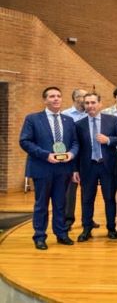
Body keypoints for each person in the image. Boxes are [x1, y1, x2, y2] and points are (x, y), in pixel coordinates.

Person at [19, 87, 79, 250]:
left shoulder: (68, 120)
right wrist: (46, 155)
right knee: (41, 204)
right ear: (45, 100)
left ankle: (61, 234)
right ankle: (39, 236)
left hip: (63, 169)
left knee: (60, 204)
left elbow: (75, 143)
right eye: (52, 96)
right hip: (42, 167)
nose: (56, 99)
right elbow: (25, 141)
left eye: (59, 96)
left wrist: (71, 155)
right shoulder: (32, 119)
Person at [74, 93, 117, 242]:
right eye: (87, 103)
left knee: (109, 199)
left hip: (107, 166)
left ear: (100, 104)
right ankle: (86, 228)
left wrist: (108, 140)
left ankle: (111, 228)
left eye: (93, 102)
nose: (90, 106)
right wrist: (75, 169)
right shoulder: (79, 124)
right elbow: (77, 148)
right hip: (88, 167)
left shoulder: (112, 120)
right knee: (87, 199)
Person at [61, 88, 87, 231]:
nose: (85, 99)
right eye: (82, 96)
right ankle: (68, 219)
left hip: (87, 157)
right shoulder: (65, 114)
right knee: (70, 190)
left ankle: (87, 218)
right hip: (71, 157)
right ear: (75, 98)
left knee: (88, 191)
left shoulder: (90, 114)